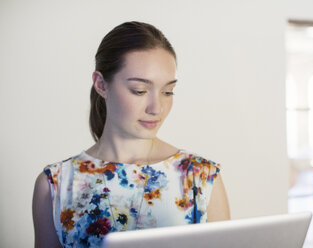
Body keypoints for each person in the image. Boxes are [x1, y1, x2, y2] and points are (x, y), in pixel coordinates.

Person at [32, 21, 230, 248]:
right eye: (140, 91)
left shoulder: (201, 177)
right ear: (101, 84)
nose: (157, 108)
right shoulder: (56, 185)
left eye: (168, 91)